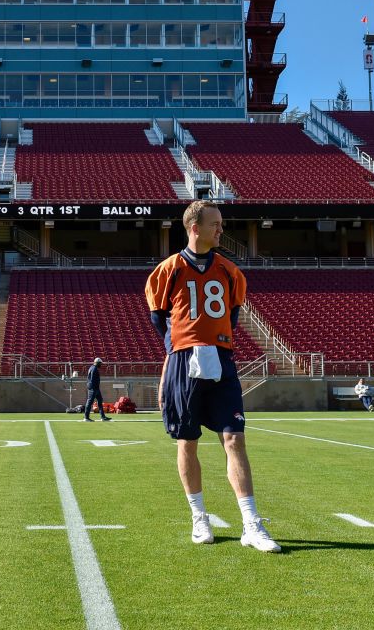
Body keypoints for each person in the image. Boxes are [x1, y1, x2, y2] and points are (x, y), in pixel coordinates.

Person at [145, 200, 281, 553]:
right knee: (186, 441)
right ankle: (199, 516)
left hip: (221, 358)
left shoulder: (230, 271)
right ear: (195, 228)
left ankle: (251, 523)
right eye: (215, 224)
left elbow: (232, 317)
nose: (221, 229)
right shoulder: (167, 270)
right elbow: (159, 319)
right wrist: (181, 347)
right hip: (183, 360)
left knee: (234, 439)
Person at [83, 357, 112, 422]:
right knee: (89, 402)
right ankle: (86, 417)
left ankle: (103, 417)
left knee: (100, 401)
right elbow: (92, 379)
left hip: (96, 388)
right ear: (97, 363)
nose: (101, 365)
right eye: (100, 363)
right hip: (93, 388)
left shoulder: (92, 368)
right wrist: (93, 388)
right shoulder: (94, 368)